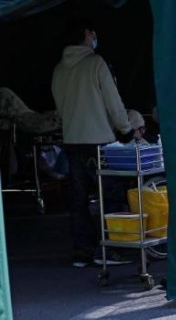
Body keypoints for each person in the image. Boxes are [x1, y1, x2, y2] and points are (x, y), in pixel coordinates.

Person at [51, 19, 135, 267]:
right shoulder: (96, 63)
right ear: (86, 33)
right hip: (100, 142)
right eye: (93, 32)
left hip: (72, 141)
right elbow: (113, 102)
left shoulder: (59, 69)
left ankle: (82, 252)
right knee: (110, 196)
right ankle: (112, 249)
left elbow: (60, 108)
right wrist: (126, 130)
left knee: (78, 200)